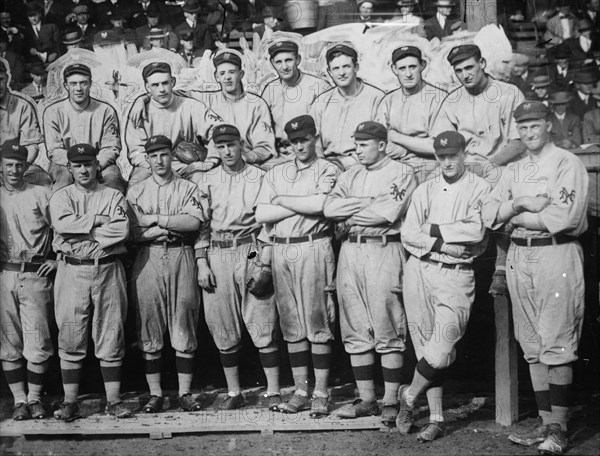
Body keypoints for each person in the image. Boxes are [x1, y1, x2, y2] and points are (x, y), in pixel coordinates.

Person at [482, 101, 588, 456]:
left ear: (548, 125)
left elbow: (565, 216)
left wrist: (516, 216)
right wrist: (524, 203)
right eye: (523, 127)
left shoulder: (566, 162)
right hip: (518, 255)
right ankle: (545, 421)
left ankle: (559, 428)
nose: (529, 133)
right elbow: (490, 215)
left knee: (556, 340)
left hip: (556, 251)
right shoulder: (513, 170)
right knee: (531, 343)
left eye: (535, 125)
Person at [398, 131, 490, 441]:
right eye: (442, 156)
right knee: (424, 344)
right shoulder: (425, 189)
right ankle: (435, 419)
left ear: (465, 153)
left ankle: (409, 396)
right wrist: (442, 243)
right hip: (420, 270)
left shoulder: (480, 187)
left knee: (440, 349)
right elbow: (408, 234)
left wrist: (433, 228)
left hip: (457, 274)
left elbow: (476, 231)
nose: (448, 161)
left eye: (453, 154)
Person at [323, 121, 416, 425]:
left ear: (382, 145)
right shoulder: (349, 174)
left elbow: (386, 213)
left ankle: (389, 399)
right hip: (350, 250)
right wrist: (365, 205)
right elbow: (329, 210)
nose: (357, 149)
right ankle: (367, 400)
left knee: (387, 323)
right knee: (355, 326)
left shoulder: (401, 172)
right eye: (356, 143)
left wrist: (353, 210)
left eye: (364, 144)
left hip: (384, 248)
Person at [255, 115, 340, 418]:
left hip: (313, 244)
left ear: (315, 137)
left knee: (317, 322)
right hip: (281, 247)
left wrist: (282, 200)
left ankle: (321, 391)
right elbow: (262, 212)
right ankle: (302, 389)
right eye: (294, 141)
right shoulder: (277, 172)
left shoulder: (328, 168)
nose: (300, 145)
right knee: (292, 325)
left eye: (304, 139)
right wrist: (296, 201)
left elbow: (320, 205)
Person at [194, 125, 281, 411]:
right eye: (220, 146)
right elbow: (202, 226)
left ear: (241, 144)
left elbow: (266, 225)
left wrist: (258, 259)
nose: (227, 151)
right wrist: (202, 261)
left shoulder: (258, 177)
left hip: (248, 247)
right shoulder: (207, 180)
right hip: (217, 251)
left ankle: (274, 390)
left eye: (231, 144)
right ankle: (234, 392)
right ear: (215, 149)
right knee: (221, 323)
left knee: (262, 319)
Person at [431, 43, 525, 295]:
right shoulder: (453, 100)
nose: (465, 75)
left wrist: (491, 164)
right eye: (459, 70)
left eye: (469, 67)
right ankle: (456, 263)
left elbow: (518, 141)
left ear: (482, 64)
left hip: (502, 163)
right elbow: (444, 143)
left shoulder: (508, 92)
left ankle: (501, 268)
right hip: (468, 167)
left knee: (506, 188)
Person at [49, 143, 132, 421]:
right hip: (72, 270)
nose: (83, 170)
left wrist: (81, 231)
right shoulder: (61, 196)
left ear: (98, 166)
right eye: (77, 165)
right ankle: (70, 401)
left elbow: (120, 230)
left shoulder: (113, 194)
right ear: (69, 168)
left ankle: (114, 400)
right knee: (71, 334)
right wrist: (97, 221)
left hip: (108, 267)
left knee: (111, 333)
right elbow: (62, 227)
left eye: (88, 164)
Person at [126, 135, 205, 413]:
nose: (159, 160)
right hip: (148, 257)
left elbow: (193, 223)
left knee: (183, 318)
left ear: (172, 155)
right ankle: (156, 394)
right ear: (146, 159)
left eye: (163, 154)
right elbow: (134, 232)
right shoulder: (136, 191)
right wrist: (171, 226)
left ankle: (185, 393)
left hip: (182, 254)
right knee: (149, 322)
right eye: (153, 155)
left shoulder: (187, 187)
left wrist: (158, 220)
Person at [0, 140, 55, 421]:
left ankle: (35, 399)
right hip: (5, 273)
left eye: (19, 164)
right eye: (9, 164)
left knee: (38, 339)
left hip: (35, 272)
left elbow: (64, 228)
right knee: (9, 341)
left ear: (26, 166)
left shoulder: (41, 193)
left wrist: (56, 259)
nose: (14, 169)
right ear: (1, 165)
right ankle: (19, 400)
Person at [124, 61, 222, 185]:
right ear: (147, 87)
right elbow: (136, 151)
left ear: (173, 82)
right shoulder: (139, 112)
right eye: (155, 85)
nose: (162, 89)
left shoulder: (191, 106)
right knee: (135, 186)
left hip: (186, 166)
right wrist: (164, 170)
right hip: (151, 166)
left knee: (203, 183)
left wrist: (210, 161)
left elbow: (219, 132)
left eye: (165, 83)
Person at [182, 49, 279, 172]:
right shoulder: (207, 99)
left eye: (232, 72)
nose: (227, 77)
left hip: (246, 164)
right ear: (216, 77)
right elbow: (176, 94)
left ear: (241, 74)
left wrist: (245, 157)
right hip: (212, 164)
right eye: (222, 73)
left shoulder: (256, 104)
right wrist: (148, 96)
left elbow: (265, 147)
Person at [43, 63, 125, 193]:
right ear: (65, 85)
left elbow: (111, 147)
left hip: (99, 163)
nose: (78, 88)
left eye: (83, 83)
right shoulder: (53, 112)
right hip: (66, 164)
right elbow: (54, 150)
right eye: (73, 84)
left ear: (90, 84)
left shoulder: (106, 110)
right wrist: (77, 166)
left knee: (112, 179)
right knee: (62, 182)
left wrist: (94, 165)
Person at [376, 45, 447, 183]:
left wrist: (395, 136)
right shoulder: (388, 100)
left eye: (412, 67)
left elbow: (437, 146)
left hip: (427, 166)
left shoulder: (439, 98)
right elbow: (378, 142)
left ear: (422, 66)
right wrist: (407, 149)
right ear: (394, 70)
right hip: (392, 163)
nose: (408, 74)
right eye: (402, 68)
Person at [310, 43, 384, 170]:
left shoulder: (377, 98)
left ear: (356, 67)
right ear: (329, 72)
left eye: (346, 67)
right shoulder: (321, 102)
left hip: (363, 167)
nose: (342, 73)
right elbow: (313, 142)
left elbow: (380, 145)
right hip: (325, 167)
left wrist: (342, 164)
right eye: (336, 68)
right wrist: (321, 166)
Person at [260, 39, 330, 155]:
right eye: (278, 62)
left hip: (310, 151)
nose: (284, 67)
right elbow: (263, 125)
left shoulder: (318, 86)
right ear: (272, 63)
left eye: (288, 60)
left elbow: (328, 128)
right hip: (278, 152)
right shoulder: (270, 89)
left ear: (298, 59)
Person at [0, 60, 51, 187]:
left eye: (0, 79)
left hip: (17, 165)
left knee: (41, 178)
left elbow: (31, 145)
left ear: (7, 78)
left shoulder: (22, 105)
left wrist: (19, 168)